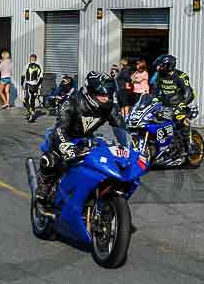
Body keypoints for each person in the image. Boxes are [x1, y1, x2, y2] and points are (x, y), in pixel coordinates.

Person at [36, 72, 128, 205]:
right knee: (51, 159)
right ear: (90, 92)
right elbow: (60, 128)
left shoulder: (110, 108)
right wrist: (66, 145)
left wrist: (131, 145)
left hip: (86, 140)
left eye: (108, 94)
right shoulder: (72, 102)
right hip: (64, 136)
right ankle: (44, 184)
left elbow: (122, 129)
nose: (105, 98)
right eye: (101, 94)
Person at [152, 54, 195, 148]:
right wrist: (153, 100)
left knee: (181, 121)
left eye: (162, 65)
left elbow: (189, 94)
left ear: (169, 65)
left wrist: (181, 106)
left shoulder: (181, 76)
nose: (159, 67)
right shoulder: (160, 76)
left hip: (179, 105)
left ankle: (189, 145)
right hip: (165, 106)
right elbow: (155, 90)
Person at [21, 53, 44, 122]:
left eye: (32, 58)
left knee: (26, 99)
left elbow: (23, 75)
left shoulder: (29, 65)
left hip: (30, 84)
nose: (32, 59)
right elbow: (41, 77)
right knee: (32, 100)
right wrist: (38, 85)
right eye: (32, 58)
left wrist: (22, 84)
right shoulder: (39, 66)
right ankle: (32, 114)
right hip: (34, 85)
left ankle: (31, 112)